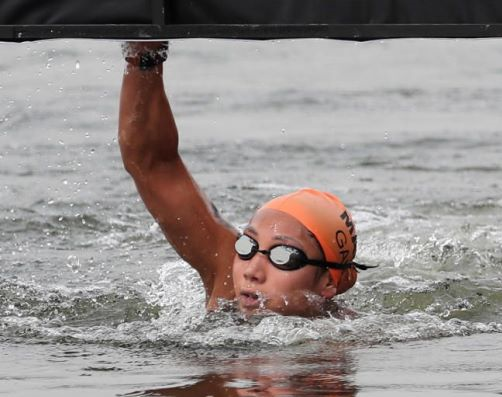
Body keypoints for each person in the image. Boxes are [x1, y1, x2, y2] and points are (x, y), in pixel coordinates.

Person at [118, 41, 373, 317]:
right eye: (247, 246)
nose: (252, 271)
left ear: (327, 283)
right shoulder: (228, 277)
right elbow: (151, 164)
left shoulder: (350, 336)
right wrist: (144, 56)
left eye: (284, 256)